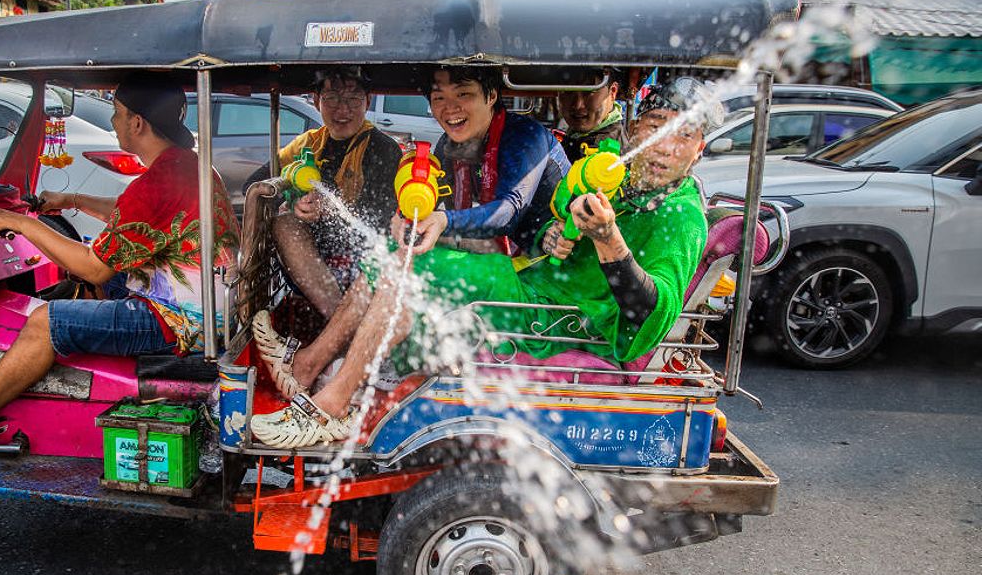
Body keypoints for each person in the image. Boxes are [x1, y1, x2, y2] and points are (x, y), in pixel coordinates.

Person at [247, 77, 721, 448]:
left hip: (558, 319)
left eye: (684, 135)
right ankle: (311, 366)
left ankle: (331, 402)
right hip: (533, 282)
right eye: (655, 126)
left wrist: (610, 241)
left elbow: (650, 315)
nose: (664, 145)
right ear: (635, 128)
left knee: (409, 270)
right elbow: (550, 222)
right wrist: (559, 234)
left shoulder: (681, 216)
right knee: (398, 257)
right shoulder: (623, 180)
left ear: (699, 148)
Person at [0, 73, 239, 446]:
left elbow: (92, 265)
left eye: (117, 113)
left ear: (137, 122)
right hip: (210, 307)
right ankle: (68, 362)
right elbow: (130, 214)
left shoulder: (156, 184)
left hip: (181, 321)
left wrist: (20, 223)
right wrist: (71, 201)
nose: (113, 122)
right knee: (101, 279)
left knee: (44, 321)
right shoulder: (187, 165)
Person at [242, 67, 401, 319]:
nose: (343, 109)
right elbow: (253, 185)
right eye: (332, 98)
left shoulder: (384, 149)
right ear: (316, 101)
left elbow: (379, 223)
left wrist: (329, 211)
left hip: (363, 266)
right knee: (285, 224)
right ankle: (338, 321)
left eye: (353, 99)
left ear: (367, 102)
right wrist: (290, 200)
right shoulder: (307, 143)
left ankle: (338, 327)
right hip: (307, 268)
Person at [409, 66, 570, 256]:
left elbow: (506, 213)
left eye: (463, 94)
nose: (450, 108)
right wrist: (408, 218)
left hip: (558, 258)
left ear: (491, 95)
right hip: (513, 254)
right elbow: (434, 199)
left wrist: (445, 221)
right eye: (439, 98)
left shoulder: (525, 136)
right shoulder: (448, 144)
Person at [556, 67, 626, 163]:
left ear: (613, 92)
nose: (578, 105)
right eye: (568, 91)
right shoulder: (576, 138)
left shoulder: (605, 153)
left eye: (588, 92)